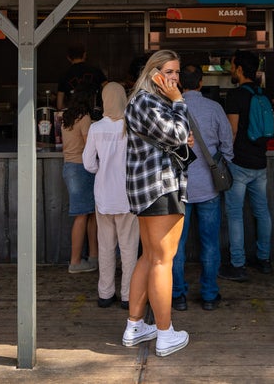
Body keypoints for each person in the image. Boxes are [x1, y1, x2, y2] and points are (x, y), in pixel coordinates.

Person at [122, 50, 191, 357]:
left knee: (149, 258)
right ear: (154, 73)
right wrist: (179, 102)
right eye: (170, 71)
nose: (175, 78)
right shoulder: (148, 101)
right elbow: (177, 133)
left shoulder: (143, 102)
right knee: (163, 260)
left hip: (146, 188)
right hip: (161, 186)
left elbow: (175, 137)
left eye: (178, 73)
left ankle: (135, 327)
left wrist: (179, 132)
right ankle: (165, 334)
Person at [172, 64, 234, 312]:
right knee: (210, 244)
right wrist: (222, 162)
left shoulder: (171, 110)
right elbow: (227, 144)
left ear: (179, 84)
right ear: (200, 83)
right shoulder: (214, 108)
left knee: (176, 246)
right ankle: (209, 294)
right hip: (209, 186)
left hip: (179, 188)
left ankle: (178, 295)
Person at [83, 81, 138, 309]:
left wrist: (101, 170)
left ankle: (105, 294)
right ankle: (128, 295)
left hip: (104, 196)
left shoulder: (96, 128)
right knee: (129, 248)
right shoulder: (133, 126)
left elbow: (88, 163)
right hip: (128, 197)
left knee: (105, 246)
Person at [220, 49, 272, 282]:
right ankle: (264, 260)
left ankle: (238, 264)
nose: (231, 70)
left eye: (232, 66)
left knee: (235, 214)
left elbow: (231, 131)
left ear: (240, 69)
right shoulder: (262, 93)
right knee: (262, 212)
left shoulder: (236, 96)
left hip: (239, 164)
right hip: (260, 162)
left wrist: (224, 156)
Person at [61, 89, 99, 273]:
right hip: (81, 168)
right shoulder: (84, 118)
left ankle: (93, 256)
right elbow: (88, 145)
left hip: (70, 166)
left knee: (90, 213)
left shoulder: (67, 118)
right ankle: (75, 262)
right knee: (82, 215)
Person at [56, 41, 106, 110]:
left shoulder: (64, 75)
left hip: (74, 115)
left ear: (68, 58)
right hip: (94, 113)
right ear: (84, 55)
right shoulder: (96, 71)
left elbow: (59, 105)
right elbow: (108, 90)